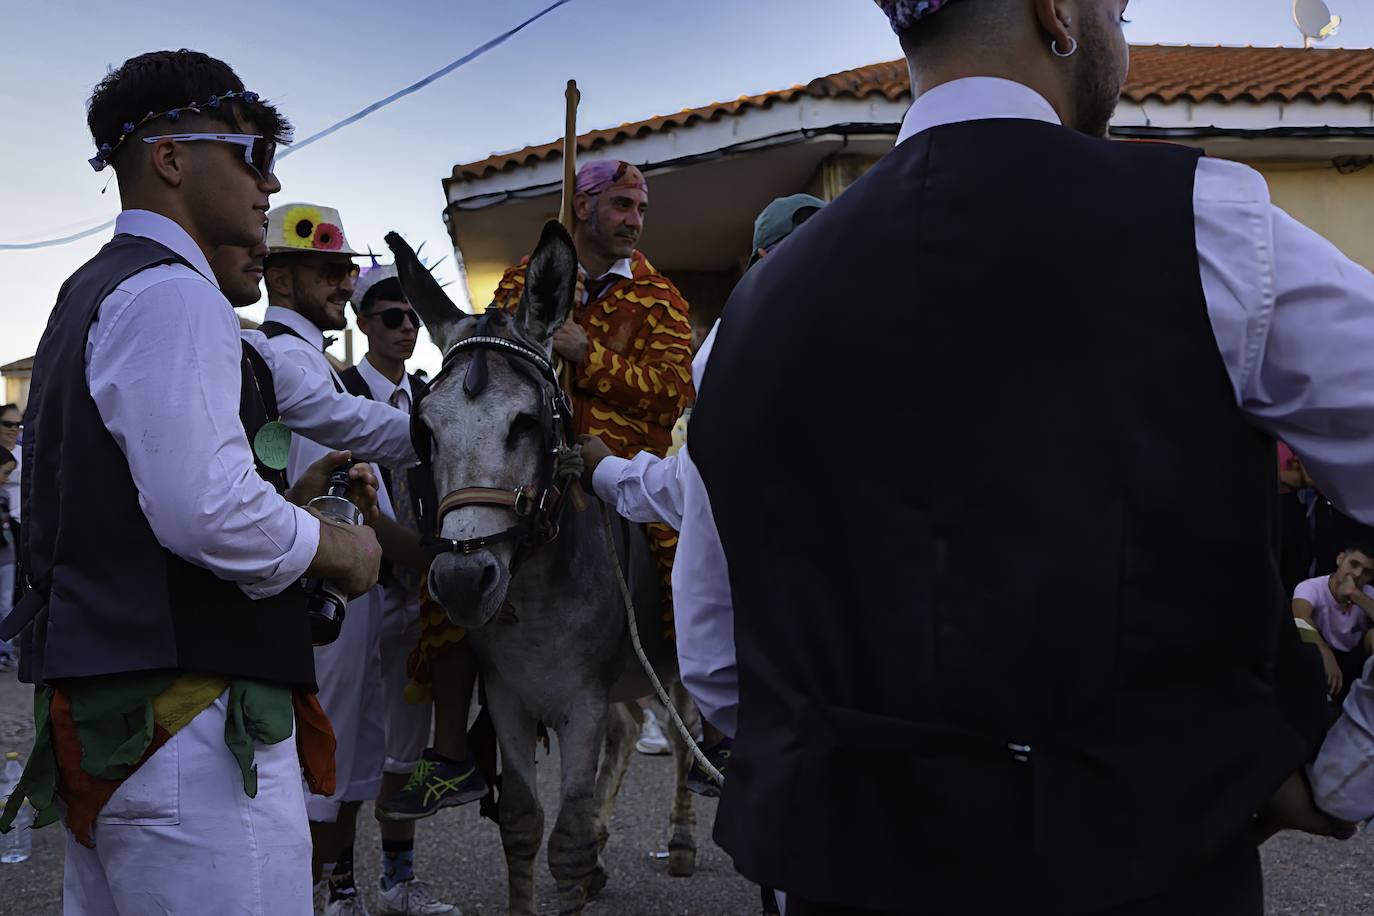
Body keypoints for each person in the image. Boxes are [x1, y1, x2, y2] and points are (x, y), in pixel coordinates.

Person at [685, 1, 1374, 912]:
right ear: (1058, 11)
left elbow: (717, 664)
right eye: (1119, 7)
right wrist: (1343, 771)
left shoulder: (744, 325)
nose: (1122, 35)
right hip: (1144, 877)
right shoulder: (1207, 228)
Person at [0, 49, 382, 915]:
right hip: (191, 745)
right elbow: (207, 514)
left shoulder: (91, 292)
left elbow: (142, 511)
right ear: (170, 159)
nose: (270, 180)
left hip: (126, 733)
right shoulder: (173, 295)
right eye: (250, 154)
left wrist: (284, 504)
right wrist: (341, 549)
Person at [582, 193, 827, 794]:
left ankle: (709, 738)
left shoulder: (726, 336)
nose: (632, 217)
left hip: (787, 692)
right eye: (620, 203)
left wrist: (606, 466)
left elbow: (697, 488)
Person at [257, 202, 452, 916]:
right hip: (316, 583)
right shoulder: (285, 355)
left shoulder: (312, 358)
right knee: (321, 759)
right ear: (280, 277)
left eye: (345, 270)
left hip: (355, 581)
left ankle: (346, 891)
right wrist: (442, 431)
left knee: (359, 755)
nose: (343, 283)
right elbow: (335, 422)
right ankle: (309, 897)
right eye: (329, 270)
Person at [490, 159, 694, 755]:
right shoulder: (527, 277)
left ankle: (716, 726)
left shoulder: (661, 298)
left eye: (640, 209)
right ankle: (452, 748)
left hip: (625, 478)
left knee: (698, 570)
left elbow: (672, 392)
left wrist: (589, 354)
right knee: (451, 569)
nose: (635, 220)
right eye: (622, 205)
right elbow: (493, 358)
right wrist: (543, 314)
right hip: (526, 472)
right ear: (582, 207)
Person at [339, 264, 482, 914]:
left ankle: (399, 882)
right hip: (347, 590)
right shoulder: (333, 392)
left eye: (412, 319)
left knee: (402, 745)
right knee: (341, 742)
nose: (404, 328)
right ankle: (337, 887)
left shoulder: (432, 398)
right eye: (390, 317)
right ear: (362, 321)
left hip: (413, 591)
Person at [1292, 539, 1374, 700]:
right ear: (1340, 559)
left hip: (1354, 655)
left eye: (1366, 572)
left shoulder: (1368, 593)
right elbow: (1300, 619)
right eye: (1354, 564)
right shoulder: (1311, 587)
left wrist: (1355, 594)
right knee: (1305, 642)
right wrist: (1325, 653)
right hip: (1321, 651)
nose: (1357, 575)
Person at [0, 447, 15, 668]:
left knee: (5, 605)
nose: (6, 478)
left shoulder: (5, 495)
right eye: (4, 471)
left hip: (6, 557)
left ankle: (5, 651)